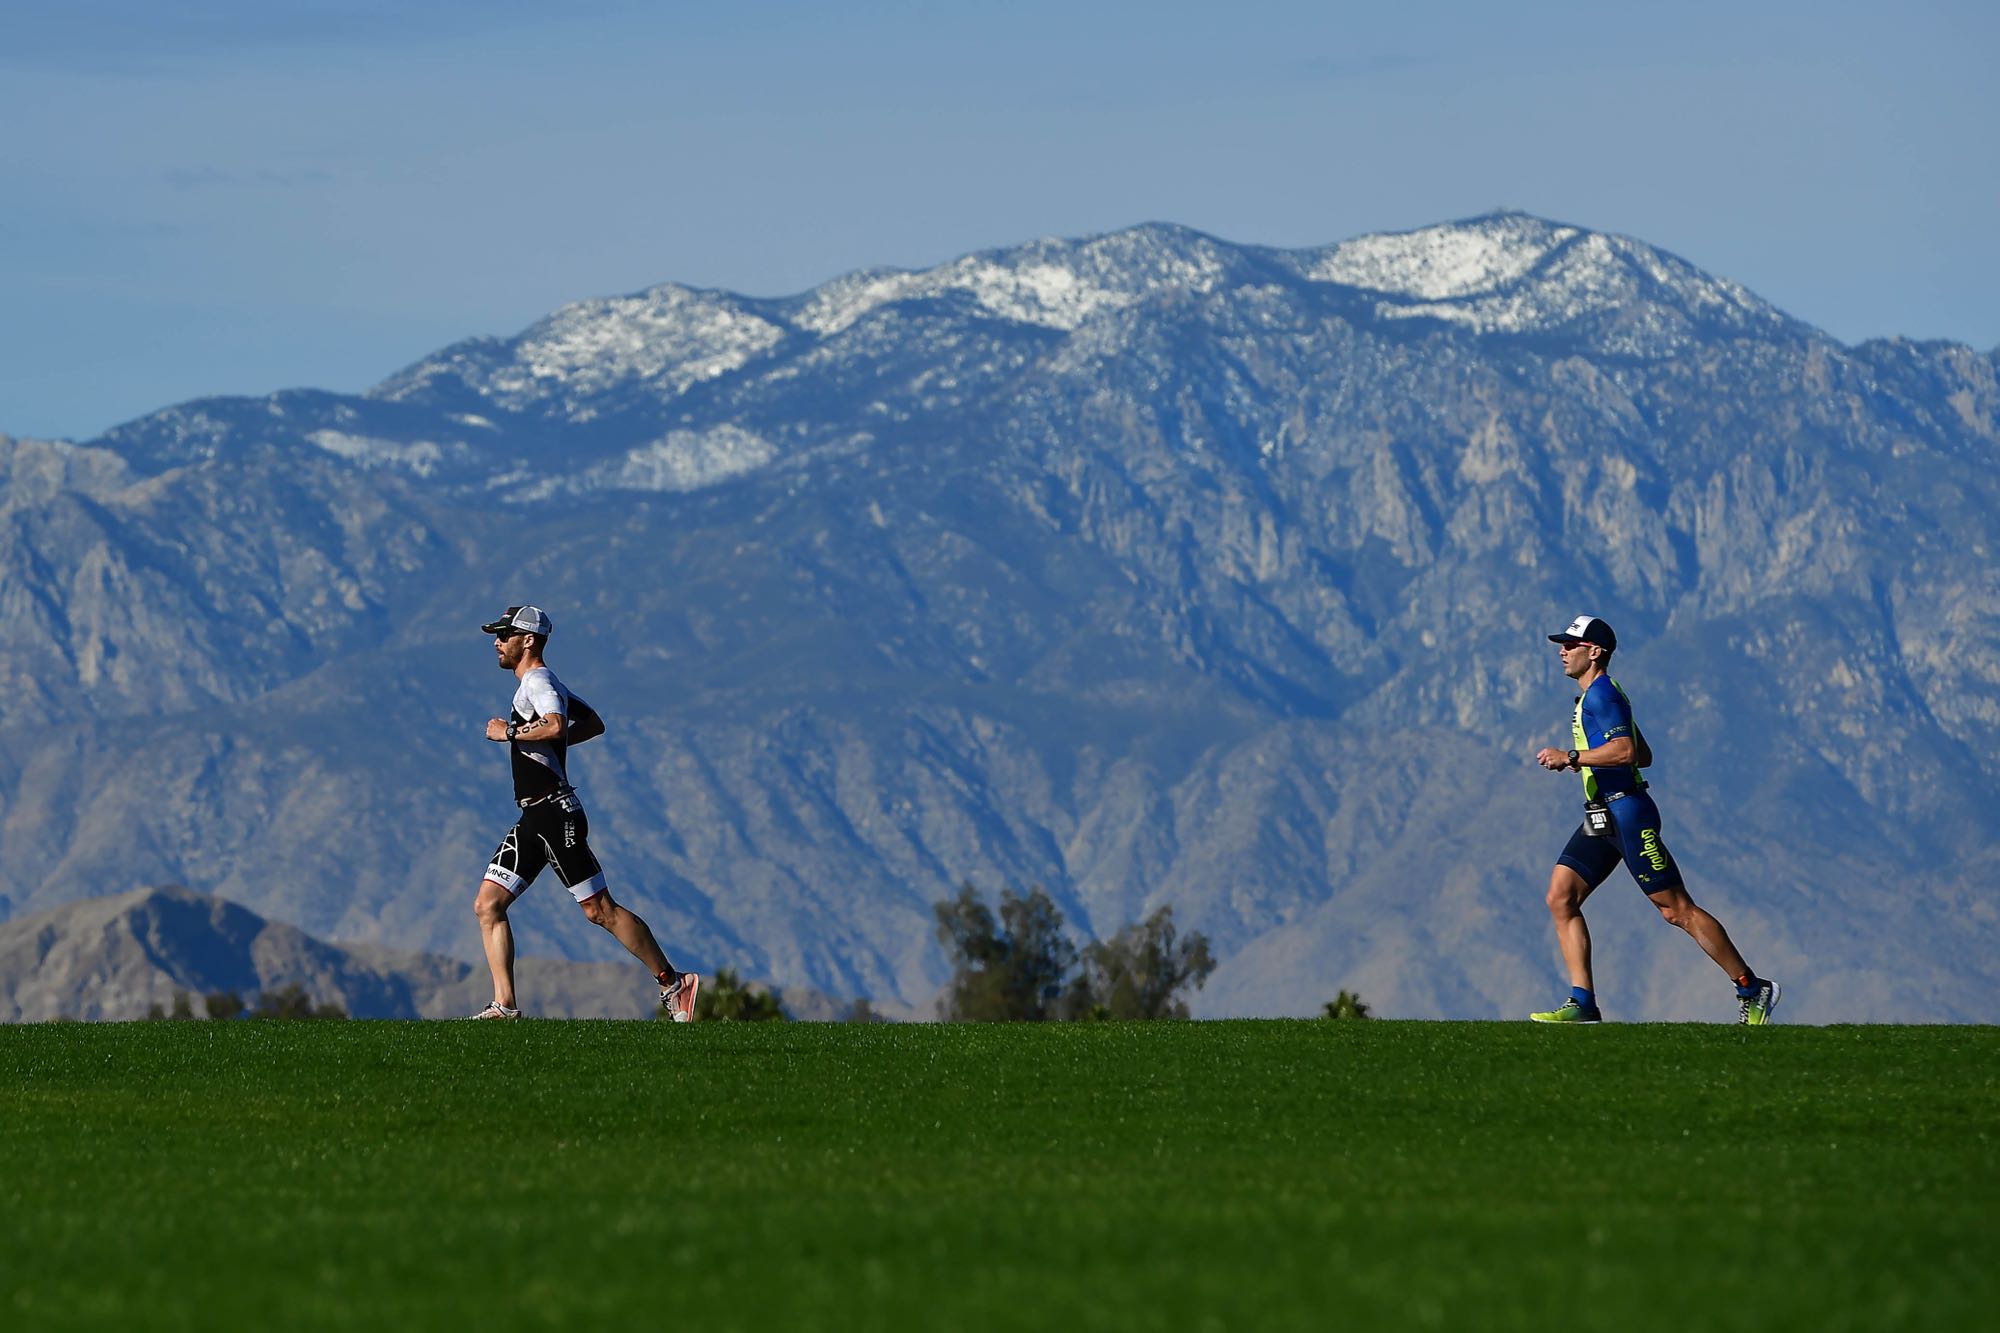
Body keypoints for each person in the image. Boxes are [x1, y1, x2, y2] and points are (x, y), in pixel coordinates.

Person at [1530, 613, 1780, 1025]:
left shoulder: (1602, 696)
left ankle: (1753, 988)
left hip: (1628, 814)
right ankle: (1583, 1003)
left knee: (1676, 909)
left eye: (1570, 645)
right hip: (1603, 815)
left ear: (1595, 652)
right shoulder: (1597, 696)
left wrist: (1572, 757)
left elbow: (1627, 754)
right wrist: (1593, 758)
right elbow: (1642, 753)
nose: (1562, 651)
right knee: (1561, 897)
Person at [469, 604, 700, 1021]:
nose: (497, 642)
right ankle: (504, 1005)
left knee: (599, 911)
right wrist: (542, 746)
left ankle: (673, 983)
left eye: (505, 634)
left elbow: (558, 725)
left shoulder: (538, 682)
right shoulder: (540, 683)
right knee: (488, 905)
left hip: (556, 817)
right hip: (535, 818)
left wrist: (511, 734)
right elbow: (592, 722)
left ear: (529, 640)